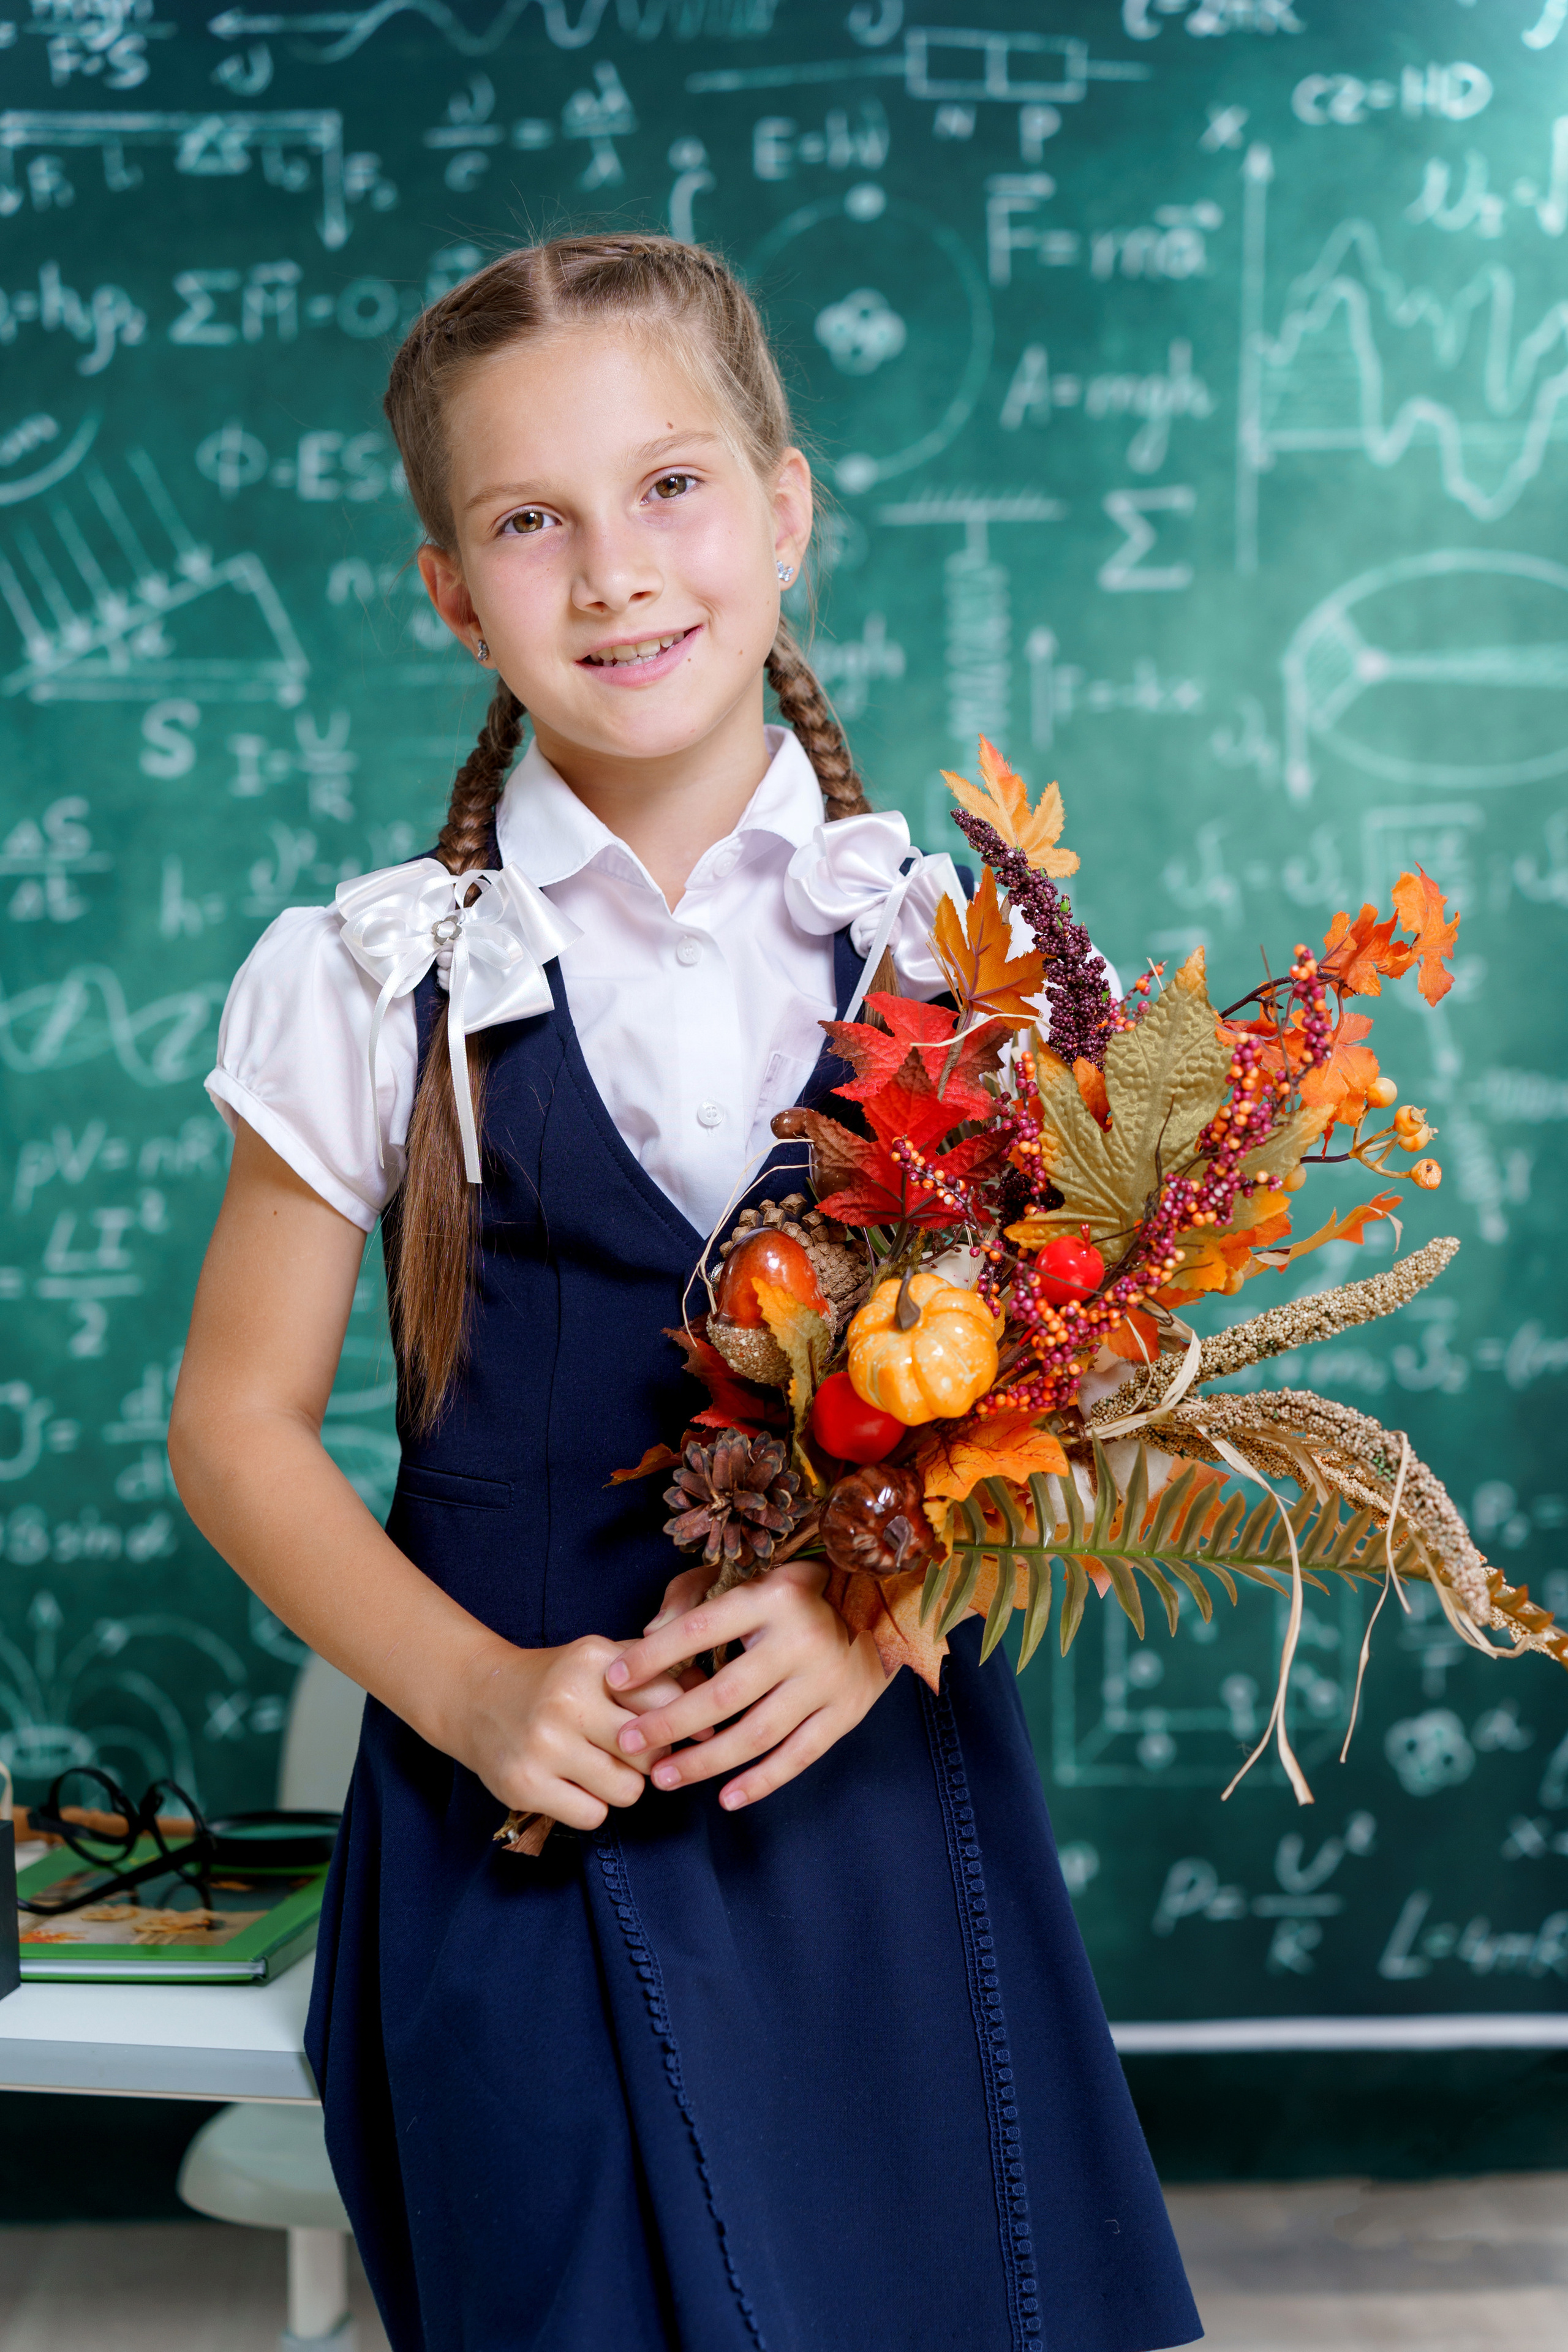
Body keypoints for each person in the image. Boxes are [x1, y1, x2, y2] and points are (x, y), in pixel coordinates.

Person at [170, 235, 1200, 2352]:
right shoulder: (378, 976)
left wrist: (883, 1608)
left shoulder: (959, 950)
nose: (616, 573)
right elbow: (235, 1426)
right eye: (529, 522)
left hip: (878, 1818)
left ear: (788, 507)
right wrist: (466, 1699)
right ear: (455, 591)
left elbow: (1078, 1389)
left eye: (670, 489)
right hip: (522, 1829)